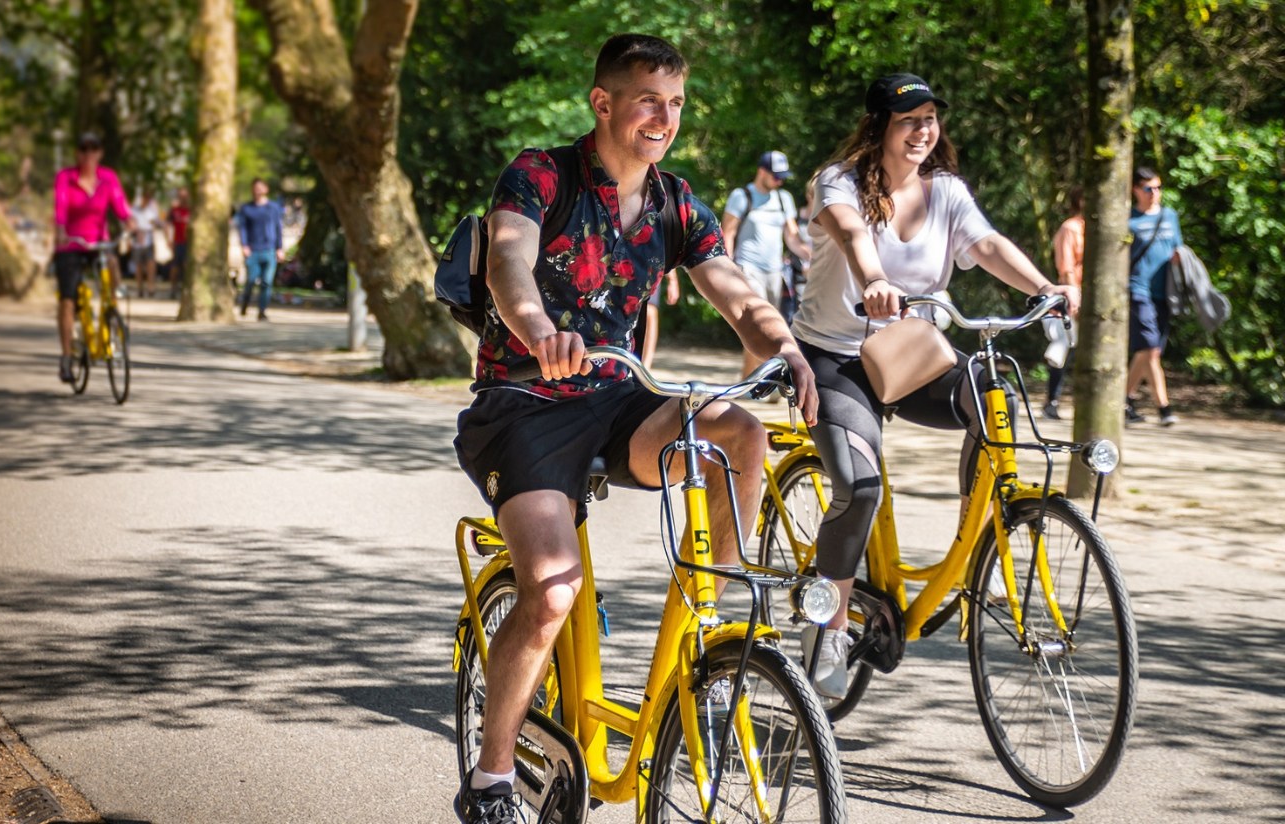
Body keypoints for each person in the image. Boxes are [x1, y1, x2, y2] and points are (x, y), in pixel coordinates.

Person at [450, 34, 817, 823]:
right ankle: (489, 780)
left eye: (676, 102)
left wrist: (784, 346)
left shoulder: (676, 202)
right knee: (552, 590)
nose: (664, 117)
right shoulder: (541, 173)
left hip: (622, 399)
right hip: (523, 402)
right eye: (649, 99)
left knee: (741, 434)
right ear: (604, 102)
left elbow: (734, 291)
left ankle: (717, 644)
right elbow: (507, 263)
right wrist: (538, 328)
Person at [788, 73, 1079, 701]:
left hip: (911, 355)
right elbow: (851, 233)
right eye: (908, 120)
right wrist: (873, 279)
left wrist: (1044, 290)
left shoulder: (945, 191)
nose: (923, 130)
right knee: (859, 486)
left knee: (991, 393)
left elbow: (988, 244)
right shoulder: (838, 181)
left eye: (930, 119)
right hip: (836, 359)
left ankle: (986, 527)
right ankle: (828, 626)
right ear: (878, 127)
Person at [721, 150, 811, 377]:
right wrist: (728, 269)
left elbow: (791, 236)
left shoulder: (784, 199)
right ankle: (753, 380)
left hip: (775, 271)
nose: (779, 181)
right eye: (776, 176)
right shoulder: (742, 196)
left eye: (782, 177)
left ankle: (756, 378)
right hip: (748, 268)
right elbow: (727, 234)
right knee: (759, 324)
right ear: (762, 172)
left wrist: (812, 256)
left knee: (773, 327)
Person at [53, 132, 130, 382]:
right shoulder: (66, 177)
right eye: (84, 149)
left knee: (112, 263)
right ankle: (66, 357)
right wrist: (61, 231)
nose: (89, 154)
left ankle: (113, 312)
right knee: (68, 300)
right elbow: (61, 208)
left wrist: (133, 228)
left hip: (98, 244)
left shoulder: (108, 178)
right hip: (72, 245)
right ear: (77, 153)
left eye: (94, 149)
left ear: (100, 153)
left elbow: (121, 208)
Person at [1125, 166, 1183, 426]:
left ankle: (1123, 399)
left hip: (1166, 293)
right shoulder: (1128, 220)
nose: (1155, 193)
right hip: (1138, 290)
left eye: (1158, 188)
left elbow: (1177, 248)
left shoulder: (1170, 216)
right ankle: (1164, 408)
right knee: (1150, 348)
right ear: (1136, 190)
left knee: (1149, 351)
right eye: (1149, 188)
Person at [1042, 186, 1083, 420]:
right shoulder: (1071, 228)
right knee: (1063, 347)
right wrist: (1072, 297)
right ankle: (1052, 400)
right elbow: (1066, 266)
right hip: (1074, 294)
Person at [234, 178, 285, 319]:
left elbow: (278, 228)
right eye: (255, 187)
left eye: (261, 187)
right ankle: (245, 302)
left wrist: (279, 248)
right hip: (253, 249)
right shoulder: (247, 209)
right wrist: (244, 245)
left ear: (266, 189)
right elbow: (242, 228)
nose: (258, 190)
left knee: (266, 282)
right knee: (251, 280)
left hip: (269, 249)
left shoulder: (273, 208)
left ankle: (262, 311)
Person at [128, 190, 161, 298]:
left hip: (148, 241)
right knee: (138, 266)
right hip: (137, 242)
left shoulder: (151, 211)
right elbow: (129, 225)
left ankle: (150, 287)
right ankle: (139, 288)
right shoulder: (134, 210)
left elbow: (156, 223)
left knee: (151, 264)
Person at [165, 188, 191, 299]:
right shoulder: (174, 210)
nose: (183, 198)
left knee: (187, 266)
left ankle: (187, 289)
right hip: (177, 242)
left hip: (189, 243)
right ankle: (173, 289)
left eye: (184, 196)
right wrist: (168, 239)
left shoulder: (192, 210)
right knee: (174, 267)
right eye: (181, 196)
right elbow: (167, 224)